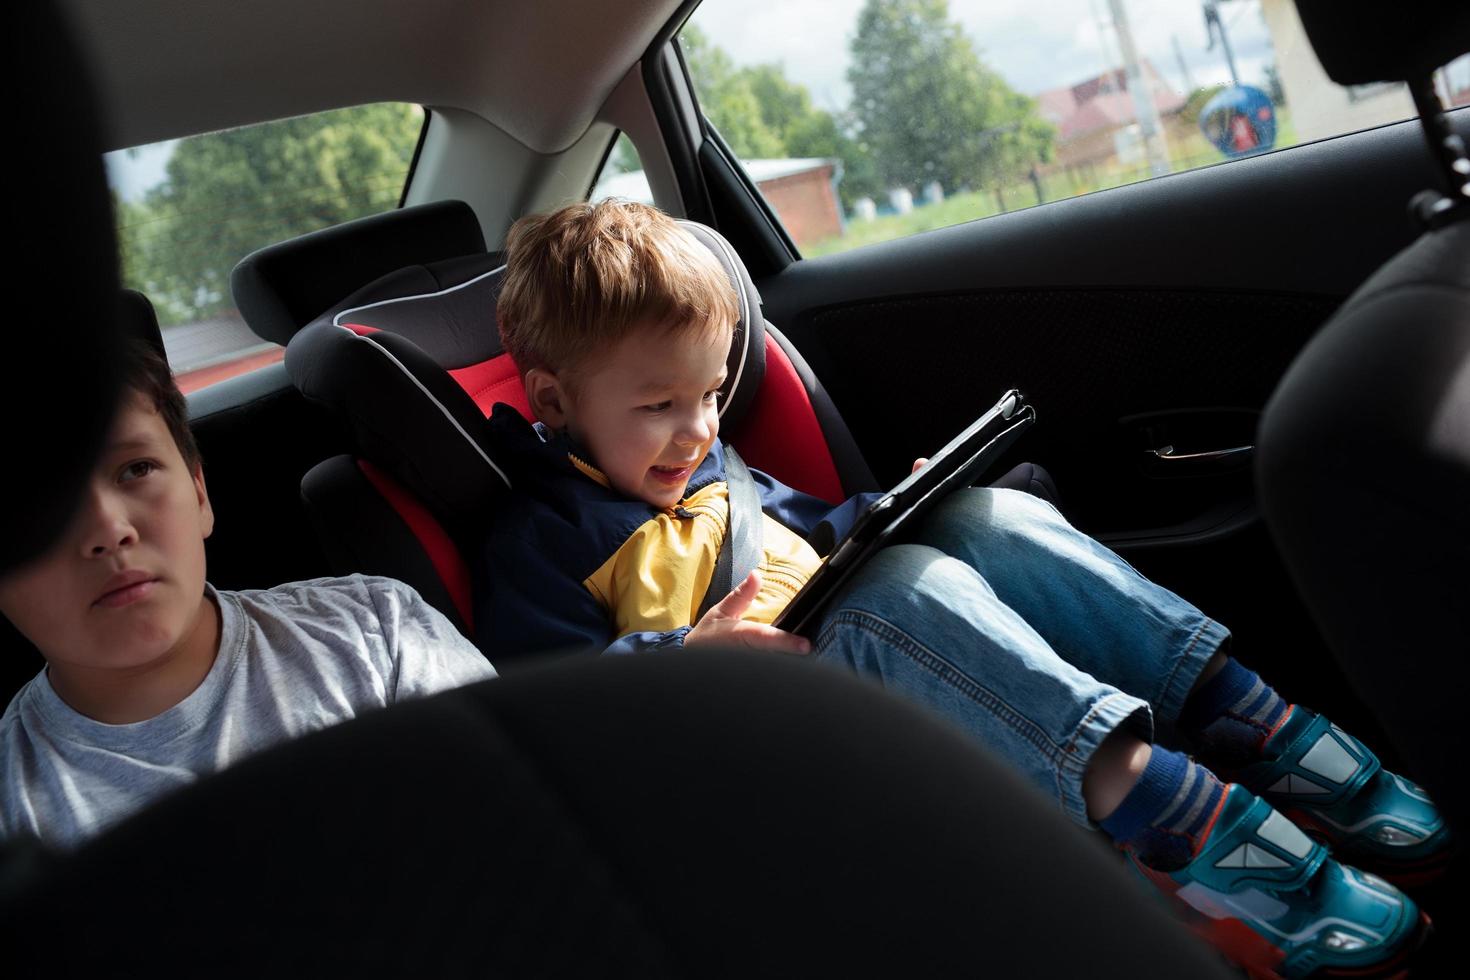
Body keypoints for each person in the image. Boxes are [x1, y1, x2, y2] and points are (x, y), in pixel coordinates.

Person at [475, 200, 1446, 979]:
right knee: (894, 586)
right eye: (658, 406)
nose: (695, 430)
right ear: (555, 401)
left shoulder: (719, 470)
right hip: (765, 732)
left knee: (985, 519)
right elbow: (555, 708)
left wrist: (909, 498)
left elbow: (823, 531)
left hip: (873, 660)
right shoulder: (542, 537)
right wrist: (681, 661)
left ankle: (1267, 730)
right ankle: (1193, 829)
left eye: (711, 394)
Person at [0, 341, 497, 847]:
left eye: (136, 469)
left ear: (198, 493)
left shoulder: (378, 631)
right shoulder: (14, 807)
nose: (109, 528)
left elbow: (522, 832)